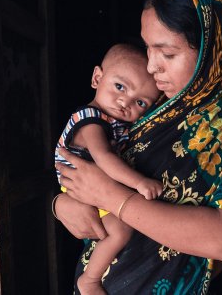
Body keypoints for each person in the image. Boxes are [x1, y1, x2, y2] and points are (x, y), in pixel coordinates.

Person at [54, 0, 222, 294]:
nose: (152, 66)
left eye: (167, 53)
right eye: (147, 48)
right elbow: (88, 171)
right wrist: (62, 204)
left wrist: (113, 197)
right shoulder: (147, 109)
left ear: (212, 50)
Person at [54, 43, 163, 294]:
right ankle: (89, 280)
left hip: (95, 186)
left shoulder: (115, 123)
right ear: (97, 78)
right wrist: (139, 183)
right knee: (120, 231)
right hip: (80, 183)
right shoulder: (90, 119)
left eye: (141, 103)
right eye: (119, 87)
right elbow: (103, 158)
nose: (125, 101)